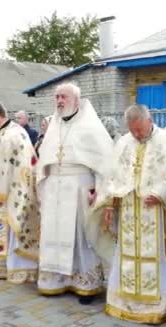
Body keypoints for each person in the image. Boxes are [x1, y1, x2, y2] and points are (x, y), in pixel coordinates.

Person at [91, 104, 166, 324]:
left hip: (157, 212)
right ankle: (124, 300)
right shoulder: (124, 143)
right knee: (127, 256)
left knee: (157, 258)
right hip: (129, 212)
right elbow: (112, 176)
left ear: (150, 121)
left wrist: (160, 194)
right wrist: (110, 201)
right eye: (133, 131)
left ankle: (161, 303)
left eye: (141, 131)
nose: (137, 135)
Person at [36, 83, 113, 305]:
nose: (59, 101)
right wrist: (41, 179)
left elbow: (105, 162)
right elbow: (44, 158)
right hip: (54, 188)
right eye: (57, 97)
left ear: (76, 100)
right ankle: (56, 280)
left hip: (79, 187)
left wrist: (98, 189)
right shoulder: (53, 125)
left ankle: (85, 284)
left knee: (81, 236)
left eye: (64, 97)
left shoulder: (90, 126)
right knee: (54, 233)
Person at [0, 100, 40, 283]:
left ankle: (15, 268)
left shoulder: (16, 134)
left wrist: (13, 188)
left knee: (13, 231)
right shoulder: (0, 135)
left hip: (12, 193)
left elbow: (25, 164)